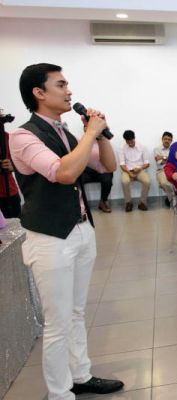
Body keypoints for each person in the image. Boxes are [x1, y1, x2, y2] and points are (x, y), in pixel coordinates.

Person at [9, 63, 123, 399]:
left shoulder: (66, 134)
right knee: (57, 322)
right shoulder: (22, 136)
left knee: (76, 312)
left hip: (81, 229)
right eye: (60, 85)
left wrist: (98, 135)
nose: (69, 91)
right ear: (39, 93)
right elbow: (63, 173)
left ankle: (80, 375)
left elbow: (108, 166)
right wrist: (88, 134)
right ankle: (60, 393)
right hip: (50, 238)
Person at [119, 130, 150, 211]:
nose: (130, 144)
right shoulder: (122, 148)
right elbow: (122, 164)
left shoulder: (142, 147)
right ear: (125, 140)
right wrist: (129, 173)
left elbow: (147, 163)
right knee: (124, 181)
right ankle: (128, 203)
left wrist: (140, 168)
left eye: (131, 141)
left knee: (147, 181)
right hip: (127, 170)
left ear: (134, 138)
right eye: (128, 142)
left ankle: (142, 203)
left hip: (140, 170)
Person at [0, 120, 21, 218]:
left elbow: (21, 163)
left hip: (9, 193)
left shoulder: (7, 137)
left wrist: (12, 166)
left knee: (16, 224)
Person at [154, 131, 174, 207]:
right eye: (165, 139)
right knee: (164, 183)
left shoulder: (174, 149)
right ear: (162, 139)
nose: (167, 141)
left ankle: (172, 198)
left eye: (169, 139)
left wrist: (163, 157)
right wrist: (169, 159)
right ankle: (172, 199)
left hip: (172, 170)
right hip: (161, 170)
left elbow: (174, 161)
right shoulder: (157, 149)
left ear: (171, 141)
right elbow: (160, 162)